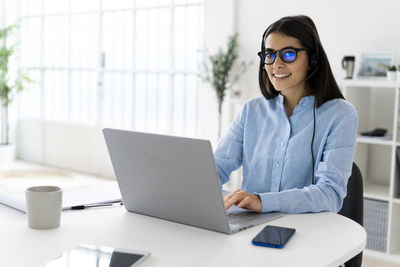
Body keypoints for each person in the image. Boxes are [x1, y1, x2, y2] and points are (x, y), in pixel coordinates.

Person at [214, 15, 358, 214]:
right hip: (249, 228)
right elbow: (217, 167)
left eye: (288, 54)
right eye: (270, 54)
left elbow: (330, 194)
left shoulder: (341, 115)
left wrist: (263, 201)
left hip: (308, 233)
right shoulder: (251, 110)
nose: (276, 64)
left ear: (312, 60)